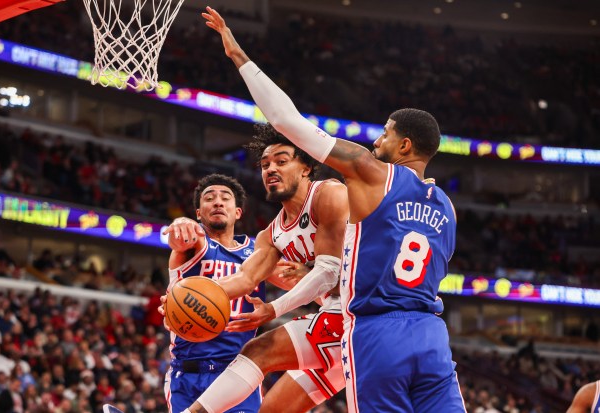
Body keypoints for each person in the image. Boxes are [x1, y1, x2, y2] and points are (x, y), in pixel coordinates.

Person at [201, 7, 464, 412]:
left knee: (264, 353)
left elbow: (285, 120)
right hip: (432, 333)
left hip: (374, 329)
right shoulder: (446, 207)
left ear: (405, 146)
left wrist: (240, 57)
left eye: (385, 134)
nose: (378, 142)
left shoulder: (371, 173)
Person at [178, 122, 349, 413]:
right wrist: (184, 295)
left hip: (368, 313)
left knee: (259, 351)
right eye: (265, 164)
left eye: (282, 161)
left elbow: (329, 272)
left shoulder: (329, 194)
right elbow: (244, 278)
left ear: (306, 167)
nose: (271, 169)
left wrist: (274, 309)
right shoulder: (271, 236)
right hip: (340, 318)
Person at [161, 173, 269, 413]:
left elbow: (294, 279)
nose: (218, 202)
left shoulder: (258, 254)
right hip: (187, 374)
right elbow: (179, 238)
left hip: (238, 373)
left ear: (237, 211)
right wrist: (181, 222)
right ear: (199, 213)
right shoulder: (196, 245)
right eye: (209, 198)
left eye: (225, 198)